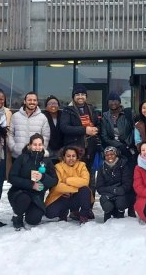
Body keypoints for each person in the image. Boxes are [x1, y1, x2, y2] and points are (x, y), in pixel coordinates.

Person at [60, 84, 100, 214]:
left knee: (90, 180)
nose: (80, 97)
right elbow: (64, 128)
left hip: (91, 150)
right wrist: (85, 130)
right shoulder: (68, 110)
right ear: (73, 97)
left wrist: (96, 129)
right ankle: (74, 209)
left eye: (82, 94)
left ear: (86, 96)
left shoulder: (91, 109)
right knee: (76, 179)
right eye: (77, 95)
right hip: (75, 152)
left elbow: (97, 124)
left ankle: (88, 208)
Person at [8, 134, 58, 230]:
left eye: (40, 144)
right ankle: (17, 215)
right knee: (24, 199)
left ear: (43, 146)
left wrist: (43, 177)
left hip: (36, 196)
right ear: (29, 145)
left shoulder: (46, 161)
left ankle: (28, 211)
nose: (37, 147)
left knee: (33, 220)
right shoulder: (22, 158)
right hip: (20, 193)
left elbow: (55, 181)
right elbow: (12, 177)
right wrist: (31, 184)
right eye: (35, 144)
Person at [45, 146, 94, 224]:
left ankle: (83, 216)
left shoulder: (82, 166)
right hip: (62, 196)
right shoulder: (58, 167)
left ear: (77, 157)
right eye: (68, 156)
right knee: (50, 213)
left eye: (73, 156)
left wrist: (67, 180)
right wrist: (76, 188)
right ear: (64, 157)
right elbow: (58, 186)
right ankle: (63, 213)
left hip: (76, 197)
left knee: (85, 190)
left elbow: (85, 181)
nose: (71, 158)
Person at [7, 91, 50, 159]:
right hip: (18, 156)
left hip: (36, 156)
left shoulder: (43, 118)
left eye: (34, 100)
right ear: (24, 101)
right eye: (29, 100)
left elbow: (46, 136)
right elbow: (10, 133)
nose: (32, 102)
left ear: (37, 102)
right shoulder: (15, 116)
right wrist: (13, 148)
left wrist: (40, 149)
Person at [96, 146, 134, 222]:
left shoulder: (123, 165)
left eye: (112, 154)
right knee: (106, 203)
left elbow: (127, 184)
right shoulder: (101, 168)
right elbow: (99, 187)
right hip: (109, 193)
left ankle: (120, 212)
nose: (109, 156)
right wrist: (113, 190)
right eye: (107, 155)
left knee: (121, 202)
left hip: (121, 194)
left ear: (116, 154)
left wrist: (119, 190)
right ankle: (107, 214)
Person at [100, 91, 135, 160]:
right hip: (113, 149)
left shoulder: (128, 114)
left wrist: (128, 144)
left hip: (128, 147)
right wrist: (119, 145)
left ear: (119, 102)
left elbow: (134, 130)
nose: (113, 103)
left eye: (115, 100)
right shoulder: (105, 117)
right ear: (107, 103)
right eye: (111, 101)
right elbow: (104, 137)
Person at [42, 95, 63, 161]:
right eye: (50, 104)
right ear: (46, 107)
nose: (53, 105)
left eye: (55, 103)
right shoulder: (42, 117)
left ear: (58, 106)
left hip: (61, 150)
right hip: (47, 149)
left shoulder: (64, 116)